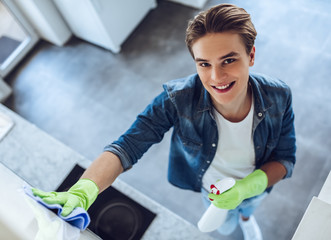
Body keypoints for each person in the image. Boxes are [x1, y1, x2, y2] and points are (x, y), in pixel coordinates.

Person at [32, 3, 296, 240]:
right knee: (225, 228)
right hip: (211, 190)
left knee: (249, 207)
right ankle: (237, 223)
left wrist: (247, 188)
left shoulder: (279, 96)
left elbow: (284, 159)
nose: (217, 77)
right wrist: (83, 190)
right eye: (204, 64)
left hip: (258, 182)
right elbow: (128, 145)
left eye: (228, 60)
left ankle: (248, 219)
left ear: (250, 56)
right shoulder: (177, 99)